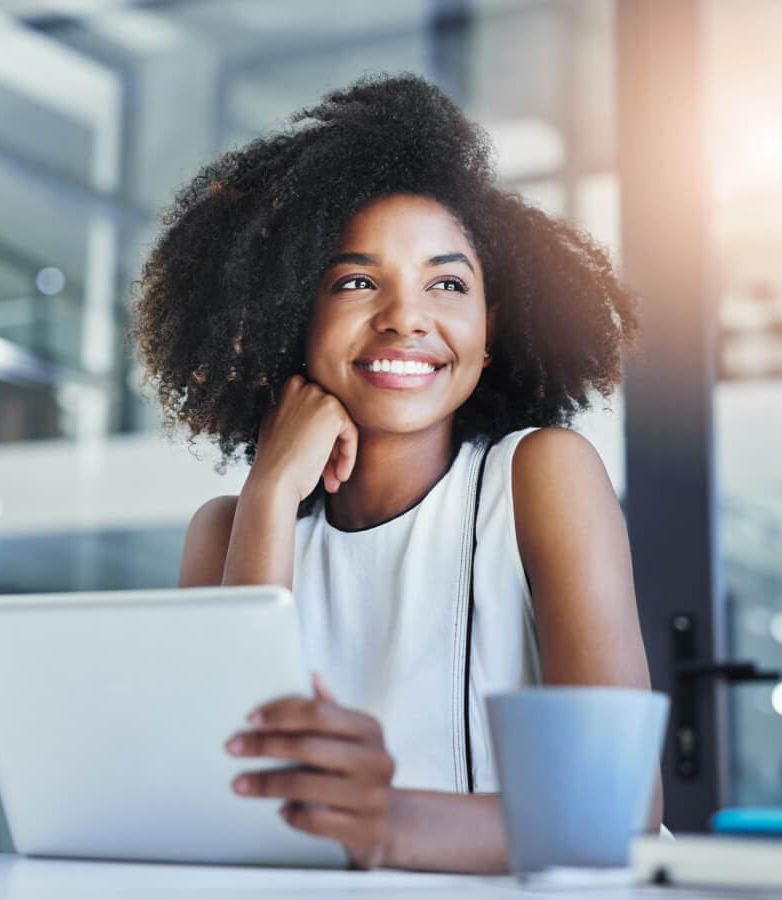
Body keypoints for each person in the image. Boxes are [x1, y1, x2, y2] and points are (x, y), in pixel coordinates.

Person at [132, 74, 658, 872]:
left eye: (448, 283)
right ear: (288, 315)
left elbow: (618, 809)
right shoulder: (228, 531)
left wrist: (384, 825)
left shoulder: (539, 477)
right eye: (355, 282)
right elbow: (230, 805)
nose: (407, 317)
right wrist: (270, 495)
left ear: (489, 328)